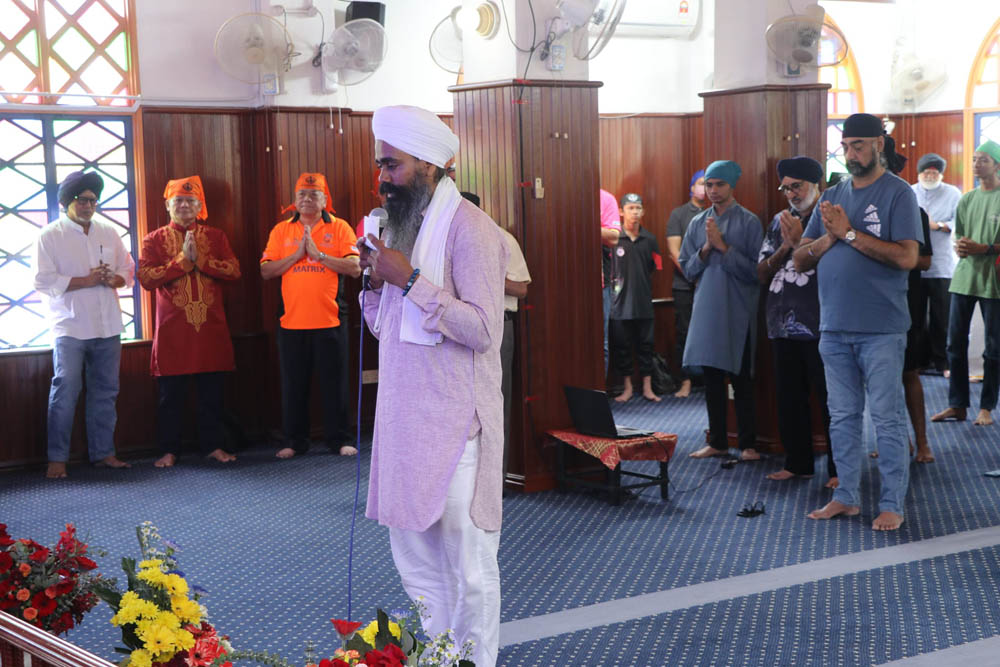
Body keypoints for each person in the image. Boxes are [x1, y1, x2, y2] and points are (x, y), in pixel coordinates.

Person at [358, 105, 507, 667]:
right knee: (418, 567)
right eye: (381, 165)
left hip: (457, 427)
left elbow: (484, 331)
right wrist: (377, 286)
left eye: (392, 165)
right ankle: (441, 660)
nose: (383, 177)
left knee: (469, 569)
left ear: (427, 164)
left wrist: (410, 279)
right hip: (404, 423)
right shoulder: (401, 228)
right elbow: (386, 330)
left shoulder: (472, 230)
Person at [793, 113, 921, 531]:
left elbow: (907, 257)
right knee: (842, 416)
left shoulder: (898, 193)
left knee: (887, 418)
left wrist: (848, 234)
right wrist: (830, 236)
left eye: (859, 146)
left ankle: (892, 504)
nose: (850, 154)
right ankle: (846, 497)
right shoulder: (833, 195)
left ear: (879, 145)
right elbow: (800, 258)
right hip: (833, 327)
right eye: (845, 146)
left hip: (881, 328)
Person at [33, 170, 134, 479]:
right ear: (66, 202)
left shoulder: (108, 231)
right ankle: (57, 459)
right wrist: (86, 280)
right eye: (82, 200)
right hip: (70, 327)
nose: (89, 206)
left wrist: (113, 279)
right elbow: (43, 281)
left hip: (108, 325)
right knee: (65, 391)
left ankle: (104, 453)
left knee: (106, 391)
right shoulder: (50, 235)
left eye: (93, 200)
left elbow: (128, 271)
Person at [138, 175, 240, 468]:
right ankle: (169, 450)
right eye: (178, 201)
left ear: (199, 206)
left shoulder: (216, 237)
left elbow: (234, 270)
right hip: (173, 330)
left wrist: (203, 262)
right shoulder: (153, 239)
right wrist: (182, 262)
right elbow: (145, 278)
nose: (184, 205)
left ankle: (214, 446)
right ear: (168, 205)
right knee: (170, 396)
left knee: (212, 393)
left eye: (190, 201)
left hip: (210, 327)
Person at [260, 173, 361, 458]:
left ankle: (339, 439)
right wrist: (296, 256)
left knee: (335, 384)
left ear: (324, 200)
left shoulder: (339, 227)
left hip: (330, 319)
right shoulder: (282, 230)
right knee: (293, 385)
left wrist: (319, 256)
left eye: (313, 194)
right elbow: (266, 271)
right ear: (294, 200)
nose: (306, 199)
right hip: (291, 321)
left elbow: (354, 268)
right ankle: (294, 441)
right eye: (302, 194)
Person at [757, 156, 837, 486]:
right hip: (781, 324)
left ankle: (837, 470)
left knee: (831, 400)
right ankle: (797, 462)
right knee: (789, 397)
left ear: (817, 185)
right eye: (786, 188)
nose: (791, 193)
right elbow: (762, 272)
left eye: (797, 186)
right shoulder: (780, 221)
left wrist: (803, 242)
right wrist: (787, 247)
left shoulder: (831, 218)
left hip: (821, 323)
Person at [679, 160, 763, 461]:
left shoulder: (750, 222)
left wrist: (724, 247)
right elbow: (687, 269)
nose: (713, 191)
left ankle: (748, 444)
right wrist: (706, 248)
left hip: (740, 309)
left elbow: (757, 271)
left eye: (719, 185)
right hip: (707, 308)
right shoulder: (696, 223)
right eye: (709, 185)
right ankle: (717, 441)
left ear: (732, 186)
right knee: (712, 379)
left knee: (741, 380)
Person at [460, 190, 531, 488]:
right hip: (457, 329)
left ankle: (494, 482)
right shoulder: (446, 238)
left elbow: (521, 289)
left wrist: (486, 275)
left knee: (494, 403)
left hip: (497, 326)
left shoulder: (502, 238)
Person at [931, 140, 1000, 426]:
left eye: (983, 159)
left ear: (996, 165)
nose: (976, 164)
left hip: (993, 280)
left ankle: (987, 407)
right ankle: (957, 405)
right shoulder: (967, 199)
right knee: (954, 344)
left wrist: (986, 248)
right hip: (964, 278)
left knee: (993, 348)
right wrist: (961, 247)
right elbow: (959, 236)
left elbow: (985, 246)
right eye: (974, 159)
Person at [609, 193, 662, 403]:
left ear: (643, 212)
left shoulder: (650, 239)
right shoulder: (614, 239)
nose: (635, 212)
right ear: (621, 212)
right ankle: (628, 388)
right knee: (622, 347)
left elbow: (655, 267)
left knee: (646, 346)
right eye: (630, 208)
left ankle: (648, 388)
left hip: (643, 302)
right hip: (619, 304)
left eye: (638, 208)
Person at [911, 153, 961, 375]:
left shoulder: (953, 193)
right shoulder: (909, 192)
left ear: (941, 174)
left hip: (942, 264)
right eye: (926, 172)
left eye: (934, 172)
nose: (930, 175)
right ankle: (919, 361)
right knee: (916, 317)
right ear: (919, 173)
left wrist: (937, 225)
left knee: (942, 317)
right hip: (916, 264)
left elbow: (959, 223)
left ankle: (942, 362)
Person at [666, 170, 707, 398]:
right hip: (684, 284)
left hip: (710, 285)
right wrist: (693, 274)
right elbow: (675, 253)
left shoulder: (715, 213)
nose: (705, 188)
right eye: (701, 183)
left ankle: (710, 380)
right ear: (692, 187)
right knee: (684, 332)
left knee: (710, 331)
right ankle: (686, 381)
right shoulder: (679, 214)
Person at [600, 188, 622, 373]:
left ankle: (599, 388)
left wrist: (586, 222)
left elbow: (614, 237)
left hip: (600, 284)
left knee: (601, 342)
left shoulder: (605, 198)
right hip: (568, 283)